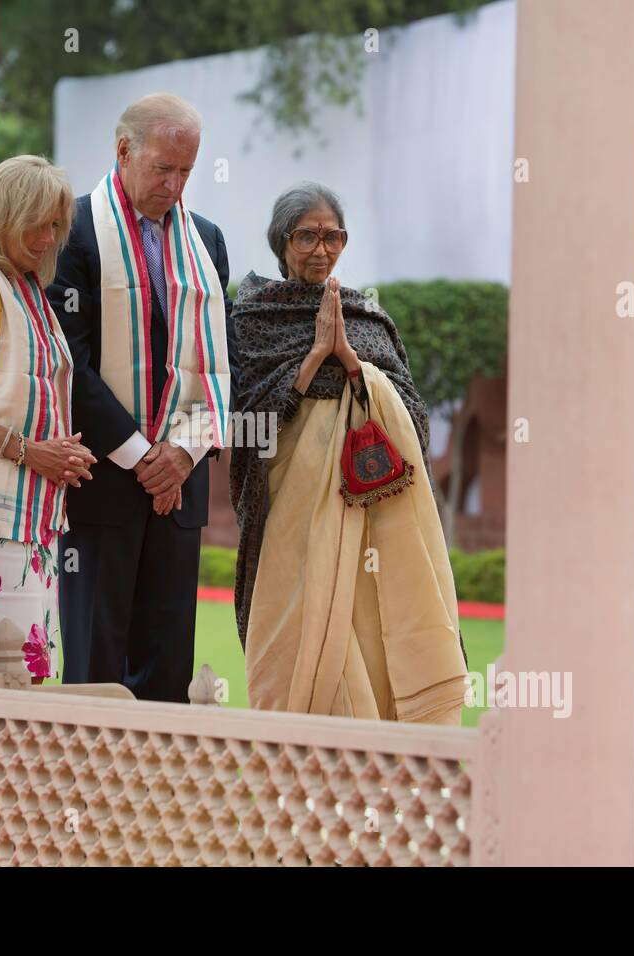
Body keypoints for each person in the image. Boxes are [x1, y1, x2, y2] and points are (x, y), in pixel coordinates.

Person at [229, 182, 467, 724]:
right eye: (307, 236)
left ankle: (376, 754)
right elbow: (246, 428)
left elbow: (415, 420)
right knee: (303, 618)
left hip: (370, 514)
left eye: (332, 236)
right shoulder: (252, 316)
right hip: (292, 510)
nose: (321, 249)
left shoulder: (367, 318)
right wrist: (314, 359)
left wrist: (355, 364)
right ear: (282, 242)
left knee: (367, 626)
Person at [46, 93, 231, 702]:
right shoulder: (69, 230)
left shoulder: (207, 241)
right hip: (103, 481)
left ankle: (158, 797)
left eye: (186, 171)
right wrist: (142, 456)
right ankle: (85, 797)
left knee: (167, 665)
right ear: (123, 151)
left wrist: (181, 455)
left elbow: (214, 363)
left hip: (180, 485)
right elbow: (69, 365)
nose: (174, 185)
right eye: (162, 168)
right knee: (95, 667)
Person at [0, 155, 94, 681]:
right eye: (39, 222)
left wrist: (62, 453)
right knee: (4, 680)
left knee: (30, 676)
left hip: (34, 521)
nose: (50, 238)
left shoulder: (28, 291)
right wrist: (33, 452)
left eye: (57, 225)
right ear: (5, 213)